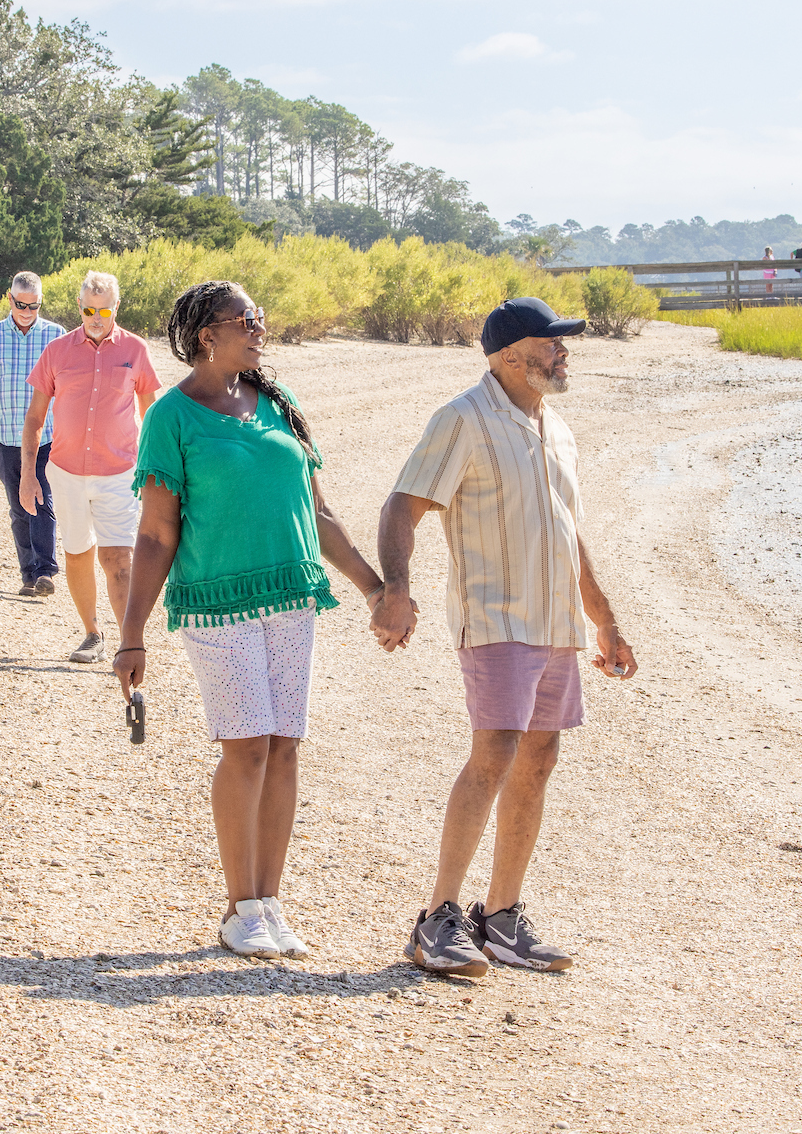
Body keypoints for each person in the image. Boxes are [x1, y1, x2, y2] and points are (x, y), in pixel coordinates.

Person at [372, 297, 638, 979]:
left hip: (555, 623)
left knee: (540, 756)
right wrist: (395, 588)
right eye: (553, 343)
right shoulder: (462, 419)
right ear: (511, 356)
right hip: (495, 617)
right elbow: (404, 502)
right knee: (493, 753)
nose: (564, 352)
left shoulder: (556, 427)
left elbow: (567, 528)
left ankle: (502, 917)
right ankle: (437, 919)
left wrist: (602, 615)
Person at [117, 281, 384, 960]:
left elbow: (319, 513)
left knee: (285, 743)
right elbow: (154, 534)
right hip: (215, 601)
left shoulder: (280, 402)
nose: (260, 328)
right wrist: (131, 634)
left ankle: (269, 901)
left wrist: (375, 589)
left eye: (260, 317)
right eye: (247, 319)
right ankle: (239, 907)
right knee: (247, 745)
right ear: (208, 333)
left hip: (291, 596)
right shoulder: (172, 417)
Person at [20, 270, 159, 663]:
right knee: (77, 552)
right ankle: (92, 634)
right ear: (80, 307)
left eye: (103, 310)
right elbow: (33, 419)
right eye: (88, 309)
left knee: (118, 557)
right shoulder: (57, 351)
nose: (95, 317)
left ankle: (129, 641)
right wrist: (28, 474)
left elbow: (152, 415)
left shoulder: (135, 350)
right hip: (65, 474)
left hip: (119, 474)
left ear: (116, 308)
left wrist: (156, 471)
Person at [0, 271, 65, 598]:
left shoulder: (56, 336)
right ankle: (28, 574)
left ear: (40, 302)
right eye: (21, 304)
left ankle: (45, 571)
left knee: (41, 498)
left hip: (47, 437)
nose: (26, 311)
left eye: (33, 306)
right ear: (9, 299)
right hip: (6, 438)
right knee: (19, 506)